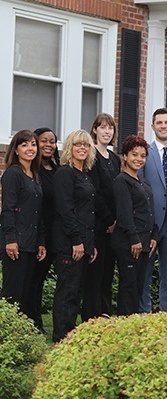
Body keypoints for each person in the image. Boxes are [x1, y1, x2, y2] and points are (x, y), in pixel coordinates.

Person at [52, 129, 97, 342]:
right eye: (78, 144)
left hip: (82, 243)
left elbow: (87, 212)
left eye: (86, 145)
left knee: (76, 290)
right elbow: (65, 210)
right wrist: (77, 241)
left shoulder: (84, 175)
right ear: (69, 147)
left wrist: (90, 245)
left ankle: (69, 331)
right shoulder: (64, 173)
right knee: (67, 290)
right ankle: (61, 335)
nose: (82, 148)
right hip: (68, 243)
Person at [140, 108, 167, 312]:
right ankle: (144, 311)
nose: (163, 126)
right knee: (145, 270)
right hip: (150, 222)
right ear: (152, 126)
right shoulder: (143, 153)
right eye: (159, 123)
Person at [0, 129, 46, 323]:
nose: (30, 148)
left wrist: (41, 242)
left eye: (33, 144)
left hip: (31, 243)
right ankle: (5, 335)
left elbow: (38, 212)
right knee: (12, 294)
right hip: (16, 243)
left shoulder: (34, 175)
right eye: (24, 144)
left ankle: (19, 336)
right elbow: (8, 209)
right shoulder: (13, 173)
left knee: (26, 293)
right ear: (16, 150)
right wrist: (10, 240)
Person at [112, 135, 157, 316]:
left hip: (145, 243)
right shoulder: (121, 181)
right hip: (129, 244)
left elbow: (149, 211)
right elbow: (124, 214)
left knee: (138, 286)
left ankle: (133, 323)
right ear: (125, 156)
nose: (138, 159)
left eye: (142, 155)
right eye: (134, 154)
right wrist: (134, 239)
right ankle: (125, 323)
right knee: (128, 286)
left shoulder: (144, 182)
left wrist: (154, 236)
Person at [87, 113, 120, 319]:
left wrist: (116, 221)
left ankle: (105, 314)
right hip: (98, 224)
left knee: (108, 272)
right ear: (95, 130)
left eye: (110, 128)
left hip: (114, 227)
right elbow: (94, 192)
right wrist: (108, 220)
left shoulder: (115, 159)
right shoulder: (91, 157)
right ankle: (91, 314)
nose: (107, 131)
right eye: (103, 127)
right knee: (95, 273)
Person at [30, 127, 60, 334]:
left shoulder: (57, 171)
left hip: (54, 234)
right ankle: (33, 323)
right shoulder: (31, 171)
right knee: (32, 280)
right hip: (35, 234)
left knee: (41, 280)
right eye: (43, 141)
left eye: (52, 141)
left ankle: (36, 320)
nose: (48, 145)